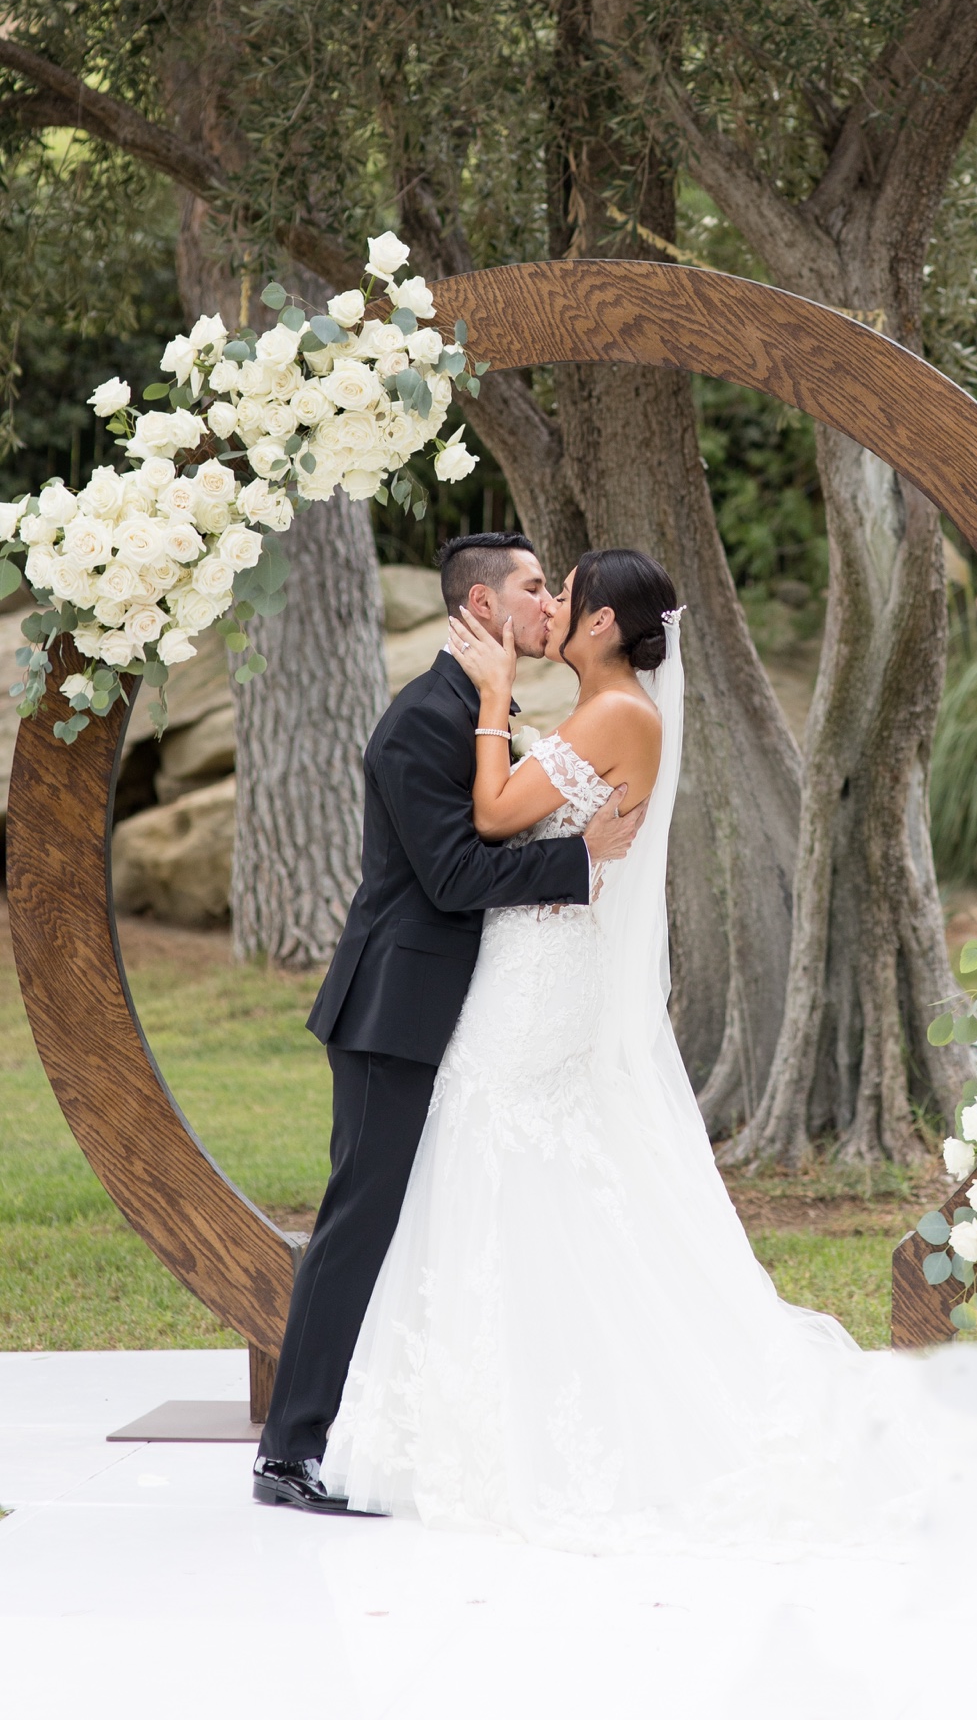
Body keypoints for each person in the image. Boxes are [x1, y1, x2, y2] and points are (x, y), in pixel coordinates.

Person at [320, 548, 918, 1554]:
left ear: (600, 625)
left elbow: (496, 813)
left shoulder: (617, 713)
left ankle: (546, 1414)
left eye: (567, 596)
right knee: (504, 1154)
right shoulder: (612, 709)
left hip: (542, 972)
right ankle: (508, 1391)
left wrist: (496, 697)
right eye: (538, 590)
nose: (551, 608)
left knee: (498, 1140)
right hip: (532, 954)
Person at [253, 533, 647, 1512]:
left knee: (429, 1217)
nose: (546, 599)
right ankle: (287, 1451)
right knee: (359, 1223)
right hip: (395, 1011)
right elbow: (453, 876)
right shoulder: (420, 722)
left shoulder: (480, 707)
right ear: (482, 606)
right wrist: (578, 863)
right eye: (530, 586)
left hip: (463, 1009)